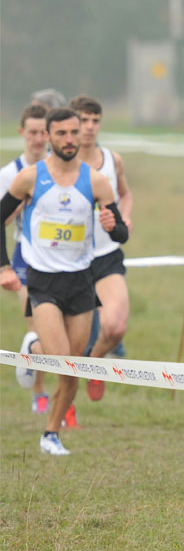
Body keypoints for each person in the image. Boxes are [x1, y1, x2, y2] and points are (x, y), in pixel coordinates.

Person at [0, 107, 128, 454]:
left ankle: (50, 434)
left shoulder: (96, 181)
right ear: (49, 137)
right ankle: (34, 348)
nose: (70, 139)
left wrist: (113, 226)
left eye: (74, 132)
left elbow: (122, 233)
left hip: (81, 282)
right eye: (62, 133)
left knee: (75, 364)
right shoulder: (29, 178)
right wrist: (4, 267)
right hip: (42, 281)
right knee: (62, 363)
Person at [69, 96, 134, 402]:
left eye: (95, 121)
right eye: (83, 120)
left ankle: (93, 364)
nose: (89, 127)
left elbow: (125, 194)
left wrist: (125, 217)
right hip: (69, 259)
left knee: (115, 327)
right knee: (68, 344)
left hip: (106, 254)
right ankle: (65, 405)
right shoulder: (56, 164)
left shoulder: (112, 160)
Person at [3, 104, 50, 414]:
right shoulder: (10, 174)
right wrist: (20, 204)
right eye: (32, 132)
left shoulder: (59, 168)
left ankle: (32, 351)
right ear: (22, 132)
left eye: (43, 132)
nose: (38, 139)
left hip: (59, 258)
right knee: (38, 326)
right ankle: (39, 392)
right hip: (25, 256)